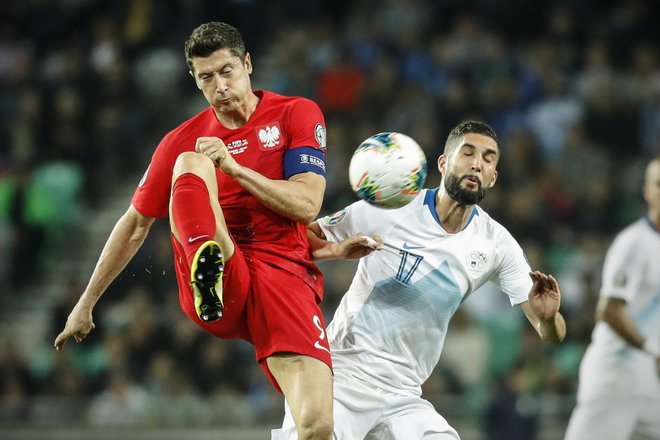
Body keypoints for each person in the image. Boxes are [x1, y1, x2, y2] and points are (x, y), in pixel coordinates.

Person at [54, 21, 335, 439]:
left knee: (317, 426)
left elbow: (307, 203)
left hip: (284, 275)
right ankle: (209, 260)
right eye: (207, 77)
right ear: (194, 79)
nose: (220, 86)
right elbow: (133, 225)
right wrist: (86, 302)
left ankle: (212, 257)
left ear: (248, 64)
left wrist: (234, 168)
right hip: (218, 278)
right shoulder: (182, 140)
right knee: (191, 162)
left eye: (227, 71)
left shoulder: (296, 112)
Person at [273, 120, 566, 439]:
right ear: (443, 163)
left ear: (493, 177)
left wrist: (548, 319)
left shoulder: (496, 244)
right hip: (342, 378)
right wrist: (335, 250)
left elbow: (550, 334)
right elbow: (300, 239)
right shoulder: (389, 205)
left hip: (404, 395)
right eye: (467, 153)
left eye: (488, 158)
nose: (476, 163)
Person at [564, 157, 660, 440]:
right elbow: (609, 310)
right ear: (646, 192)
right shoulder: (634, 243)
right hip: (616, 371)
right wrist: (653, 349)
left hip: (645, 375)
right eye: (658, 184)